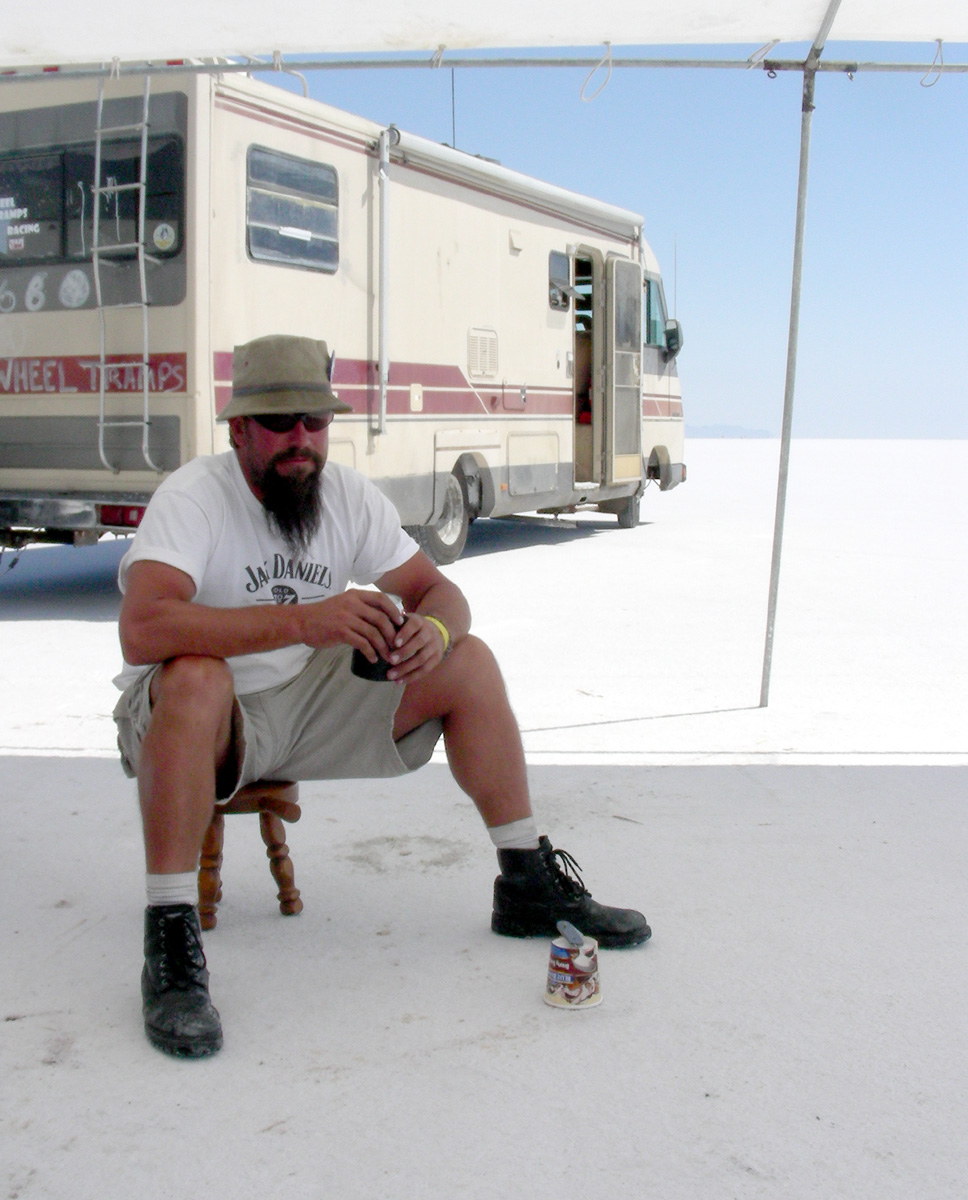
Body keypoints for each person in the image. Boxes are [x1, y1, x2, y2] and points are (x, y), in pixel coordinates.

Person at [113, 334, 650, 1059]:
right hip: (193, 718)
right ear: (238, 430)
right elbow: (143, 629)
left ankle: (526, 881)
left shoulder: (344, 495)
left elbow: (441, 592)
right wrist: (303, 620)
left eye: (315, 420)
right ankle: (170, 941)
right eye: (279, 422)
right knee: (197, 675)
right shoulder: (194, 497)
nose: (300, 439)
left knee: (469, 662)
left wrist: (433, 629)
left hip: (304, 702)